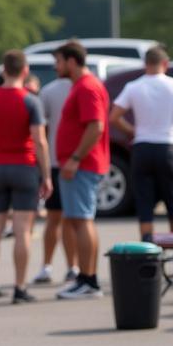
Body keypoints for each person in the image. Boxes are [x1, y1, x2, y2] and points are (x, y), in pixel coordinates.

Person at [0, 50, 51, 305]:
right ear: (25, 71)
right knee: (22, 231)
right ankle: (19, 286)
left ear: (3, 70)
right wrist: (46, 175)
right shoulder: (31, 101)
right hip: (24, 168)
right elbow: (40, 141)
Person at [108, 46, 173, 246]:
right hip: (167, 147)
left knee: (145, 206)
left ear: (145, 64)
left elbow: (114, 117)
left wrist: (132, 131)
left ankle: (148, 253)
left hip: (142, 147)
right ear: (166, 64)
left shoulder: (133, 87)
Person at [52, 41, 111, 300]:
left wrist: (75, 158)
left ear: (71, 61)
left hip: (82, 165)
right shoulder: (82, 85)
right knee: (79, 219)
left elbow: (95, 126)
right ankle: (86, 278)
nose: (57, 66)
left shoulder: (87, 87)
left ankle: (89, 280)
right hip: (80, 164)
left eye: (59, 61)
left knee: (82, 220)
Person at [33, 69, 78, 284]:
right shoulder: (79, 88)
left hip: (56, 160)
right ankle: (72, 267)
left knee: (56, 218)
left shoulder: (50, 90)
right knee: (69, 218)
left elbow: (42, 128)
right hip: (72, 161)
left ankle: (50, 266)